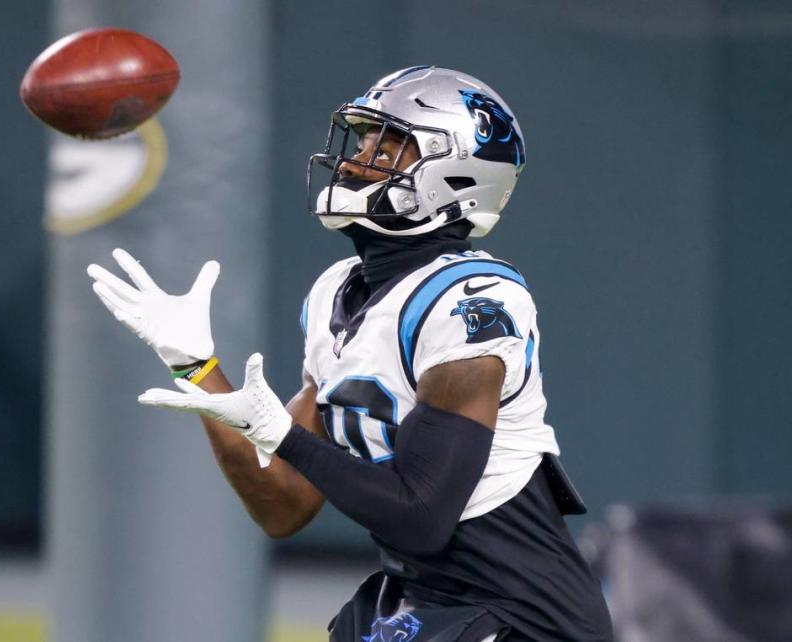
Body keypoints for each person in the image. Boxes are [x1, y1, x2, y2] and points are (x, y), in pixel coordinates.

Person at [87, 66, 613, 641]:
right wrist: (198, 369)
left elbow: (421, 516)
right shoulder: (336, 290)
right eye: (361, 141)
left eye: (388, 147)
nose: (356, 161)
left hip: (522, 614)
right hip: (422, 595)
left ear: (457, 175)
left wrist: (283, 436)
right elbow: (282, 507)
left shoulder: (476, 302)